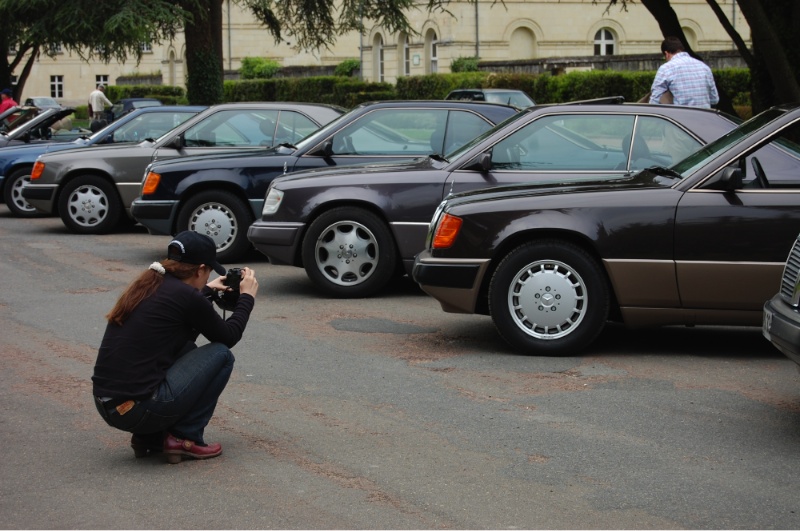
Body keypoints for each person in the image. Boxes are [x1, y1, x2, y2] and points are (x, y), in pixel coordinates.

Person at [92, 231, 259, 464]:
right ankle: (185, 437)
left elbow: (180, 310)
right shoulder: (187, 297)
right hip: (138, 411)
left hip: (109, 405)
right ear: (200, 269)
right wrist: (247, 298)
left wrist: (207, 290)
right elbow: (228, 336)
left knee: (186, 350)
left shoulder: (150, 284)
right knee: (221, 355)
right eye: (208, 271)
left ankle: (149, 437)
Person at [649, 36, 719, 108]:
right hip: (705, 117)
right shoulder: (704, 67)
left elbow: (654, 101)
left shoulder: (666, 68)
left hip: (680, 117)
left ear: (666, 54)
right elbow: (714, 99)